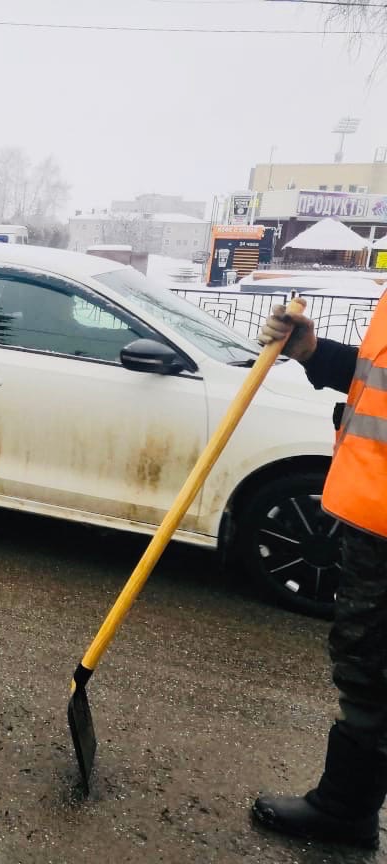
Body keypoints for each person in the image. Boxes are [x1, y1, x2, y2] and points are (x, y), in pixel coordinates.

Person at [252, 301, 387, 848]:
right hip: (369, 513)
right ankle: (346, 806)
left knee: (371, 662)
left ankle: (343, 811)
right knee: (367, 660)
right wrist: (312, 352)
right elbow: (373, 383)